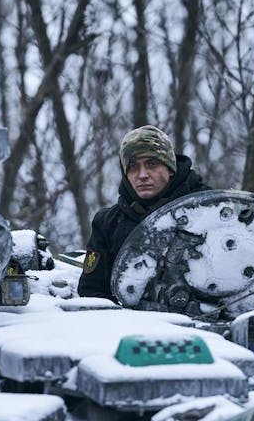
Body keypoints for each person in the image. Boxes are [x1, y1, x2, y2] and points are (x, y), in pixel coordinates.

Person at [77, 125, 211, 301]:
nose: (142, 175)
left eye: (152, 164)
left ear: (170, 168)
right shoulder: (108, 223)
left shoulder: (208, 208)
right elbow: (91, 292)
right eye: (133, 167)